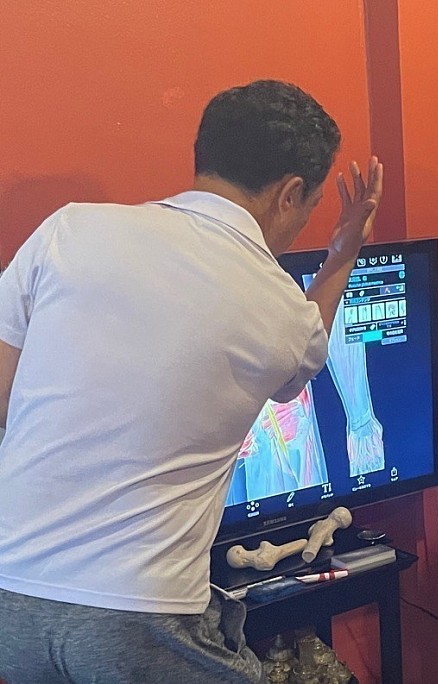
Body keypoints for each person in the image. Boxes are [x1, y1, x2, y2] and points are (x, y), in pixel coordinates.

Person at [0, 80, 383, 682]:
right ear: (289, 194)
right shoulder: (278, 302)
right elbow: (298, 373)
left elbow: (6, 395)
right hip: (137, 612)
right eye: (308, 207)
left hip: (11, 593)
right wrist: (342, 252)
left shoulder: (67, 230)